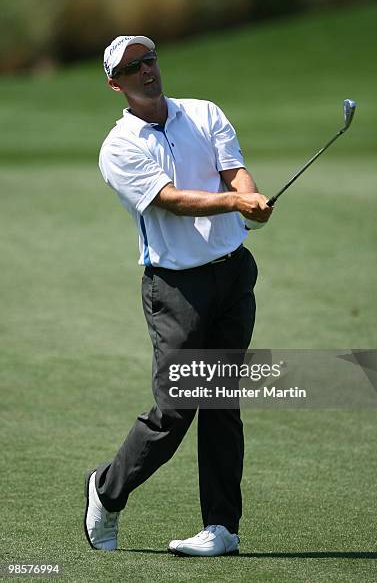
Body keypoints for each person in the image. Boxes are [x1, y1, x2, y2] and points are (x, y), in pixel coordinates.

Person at [84, 35, 273, 557]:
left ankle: (221, 527)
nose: (147, 70)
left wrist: (249, 197)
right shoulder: (119, 147)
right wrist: (237, 200)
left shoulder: (204, 113)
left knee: (222, 404)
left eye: (150, 59)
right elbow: (171, 201)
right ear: (115, 83)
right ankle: (106, 489)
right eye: (132, 67)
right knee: (177, 406)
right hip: (176, 288)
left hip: (234, 276)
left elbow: (233, 168)